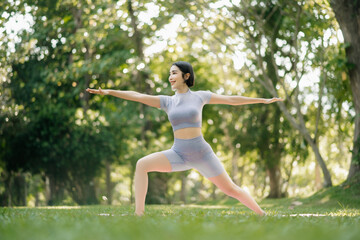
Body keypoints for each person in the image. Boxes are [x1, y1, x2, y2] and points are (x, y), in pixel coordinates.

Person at [86, 61, 283, 216]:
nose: (170, 77)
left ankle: (262, 214)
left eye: (174, 73)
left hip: (202, 153)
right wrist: (108, 92)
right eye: (169, 73)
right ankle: (139, 214)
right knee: (141, 165)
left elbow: (231, 100)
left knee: (231, 189)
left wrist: (262, 100)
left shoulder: (200, 96)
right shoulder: (167, 101)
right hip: (178, 154)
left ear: (185, 76)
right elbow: (137, 96)